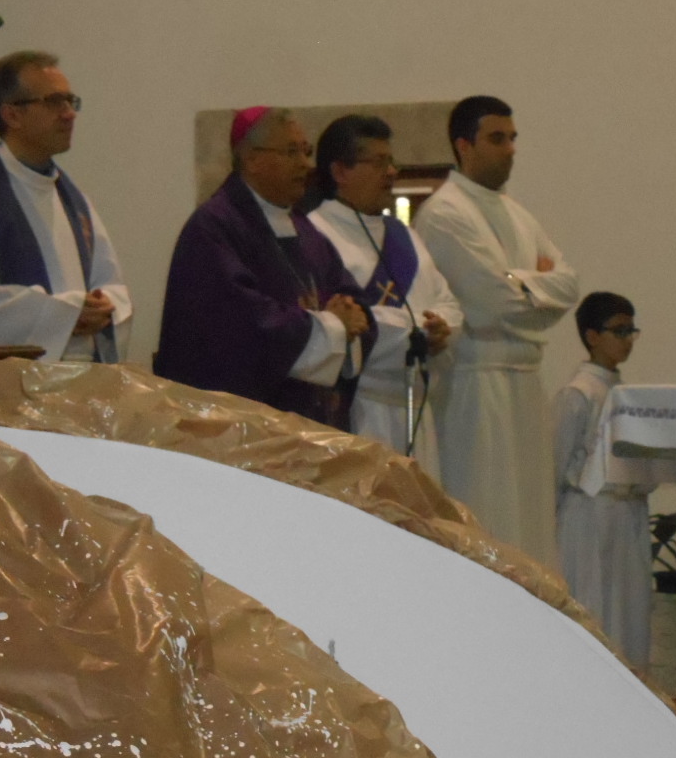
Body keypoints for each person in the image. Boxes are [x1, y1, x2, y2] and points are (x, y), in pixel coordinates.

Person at [414, 95, 578, 567]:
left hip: (524, 382)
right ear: (463, 145)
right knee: (487, 515)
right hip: (475, 383)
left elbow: (570, 283)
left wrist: (521, 284)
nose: (510, 150)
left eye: (512, 138)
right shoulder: (445, 214)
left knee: (530, 522)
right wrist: (535, 283)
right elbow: (493, 304)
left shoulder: (518, 214)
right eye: (497, 139)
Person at [154, 107, 375, 429]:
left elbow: (351, 299)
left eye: (306, 151)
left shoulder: (307, 232)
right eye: (291, 152)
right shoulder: (214, 228)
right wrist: (333, 326)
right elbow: (242, 326)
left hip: (309, 425)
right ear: (252, 159)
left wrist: (353, 320)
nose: (306, 164)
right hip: (241, 429)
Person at [0, 50, 131, 361]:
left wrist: (105, 306)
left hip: (83, 377)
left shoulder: (74, 201)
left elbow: (110, 283)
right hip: (11, 384)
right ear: (12, 115)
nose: (69, 114)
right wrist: (61, 315)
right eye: (54, 102)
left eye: (70, 101)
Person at [306, 115, 463, 473]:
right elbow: (346, 320)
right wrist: (416, 332)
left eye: (391, 161)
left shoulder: (404, 235)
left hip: (416, 410)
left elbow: (447, 302)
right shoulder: (317, 235)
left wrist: (442, 327)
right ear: (340, 171)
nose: (391, 172)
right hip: (360, 408)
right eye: (378, 162)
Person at [553, 293, 652, 669]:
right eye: (619, 330)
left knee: (628, 606)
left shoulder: (624, 393)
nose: (627, 340)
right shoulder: (577, 393)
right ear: (592, 336)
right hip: (588, 513)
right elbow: (557, 461)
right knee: (593, 603)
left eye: (631, 331)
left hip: (626, 513)